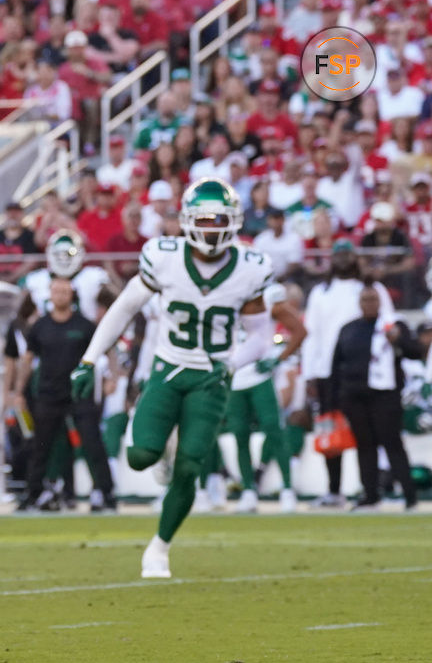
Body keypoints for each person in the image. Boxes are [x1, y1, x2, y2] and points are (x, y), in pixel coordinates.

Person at [70, 178, 275, 578]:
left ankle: (159, 548)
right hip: (168, 368)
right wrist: (90, 359)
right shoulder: (163, 256)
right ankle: (163, 448)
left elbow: (261, 336)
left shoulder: (251, 268)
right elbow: (124, 307)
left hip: (212, 377)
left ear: (234, 223)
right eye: (204, 220)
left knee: (190, 467)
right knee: (140, 455)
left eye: (220, 221)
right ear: (186, 221)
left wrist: (232, 363)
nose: (212, 229)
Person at [301, 239, 395, 508]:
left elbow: (388, 322)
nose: (343, 258)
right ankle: (334, 491)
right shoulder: (321, 292)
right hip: (327, 372)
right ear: (332, 259)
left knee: (368, 432)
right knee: (330, 431)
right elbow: (312, 336)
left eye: (347, 253)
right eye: (338, 254)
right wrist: (309, 374)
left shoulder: (370, 289)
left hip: (364, 372)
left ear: (355, 257)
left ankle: (372, 489)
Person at [17, 276, 115, 513]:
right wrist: (19, 390)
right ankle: (33, 494)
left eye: (65, 291)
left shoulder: (84, 325)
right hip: (49, 393)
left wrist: (112, 376)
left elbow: (107, 347)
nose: (60, 295)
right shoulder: (40, 326)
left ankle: (106, 492)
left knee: (93, 443)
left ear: (72, 295)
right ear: (49, 295)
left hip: (79, 393)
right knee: (41, 446)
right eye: (56, 291)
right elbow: (27, 360)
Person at [331, 287, 424, 511]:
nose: (369, 303)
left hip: (385, 396)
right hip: (355, 397)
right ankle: (370, 495)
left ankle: (409, 496)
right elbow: (336, 365)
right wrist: (336, 398)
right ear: (359, 303)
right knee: (365, 446)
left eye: (373, 299)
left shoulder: (393, 325)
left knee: (392, 444)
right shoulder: (349, 329)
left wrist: (398, 340)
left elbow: (416, 351)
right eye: (365, 299)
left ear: (380, 302)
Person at [222, 281, 307, 513]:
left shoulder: (268, 295)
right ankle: (249, 491)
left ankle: (288, 489)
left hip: (260, 378)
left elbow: (299, 331)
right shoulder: (221, 292)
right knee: (240, 434)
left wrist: (277, 358)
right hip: (234, 377)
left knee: (274, 430)